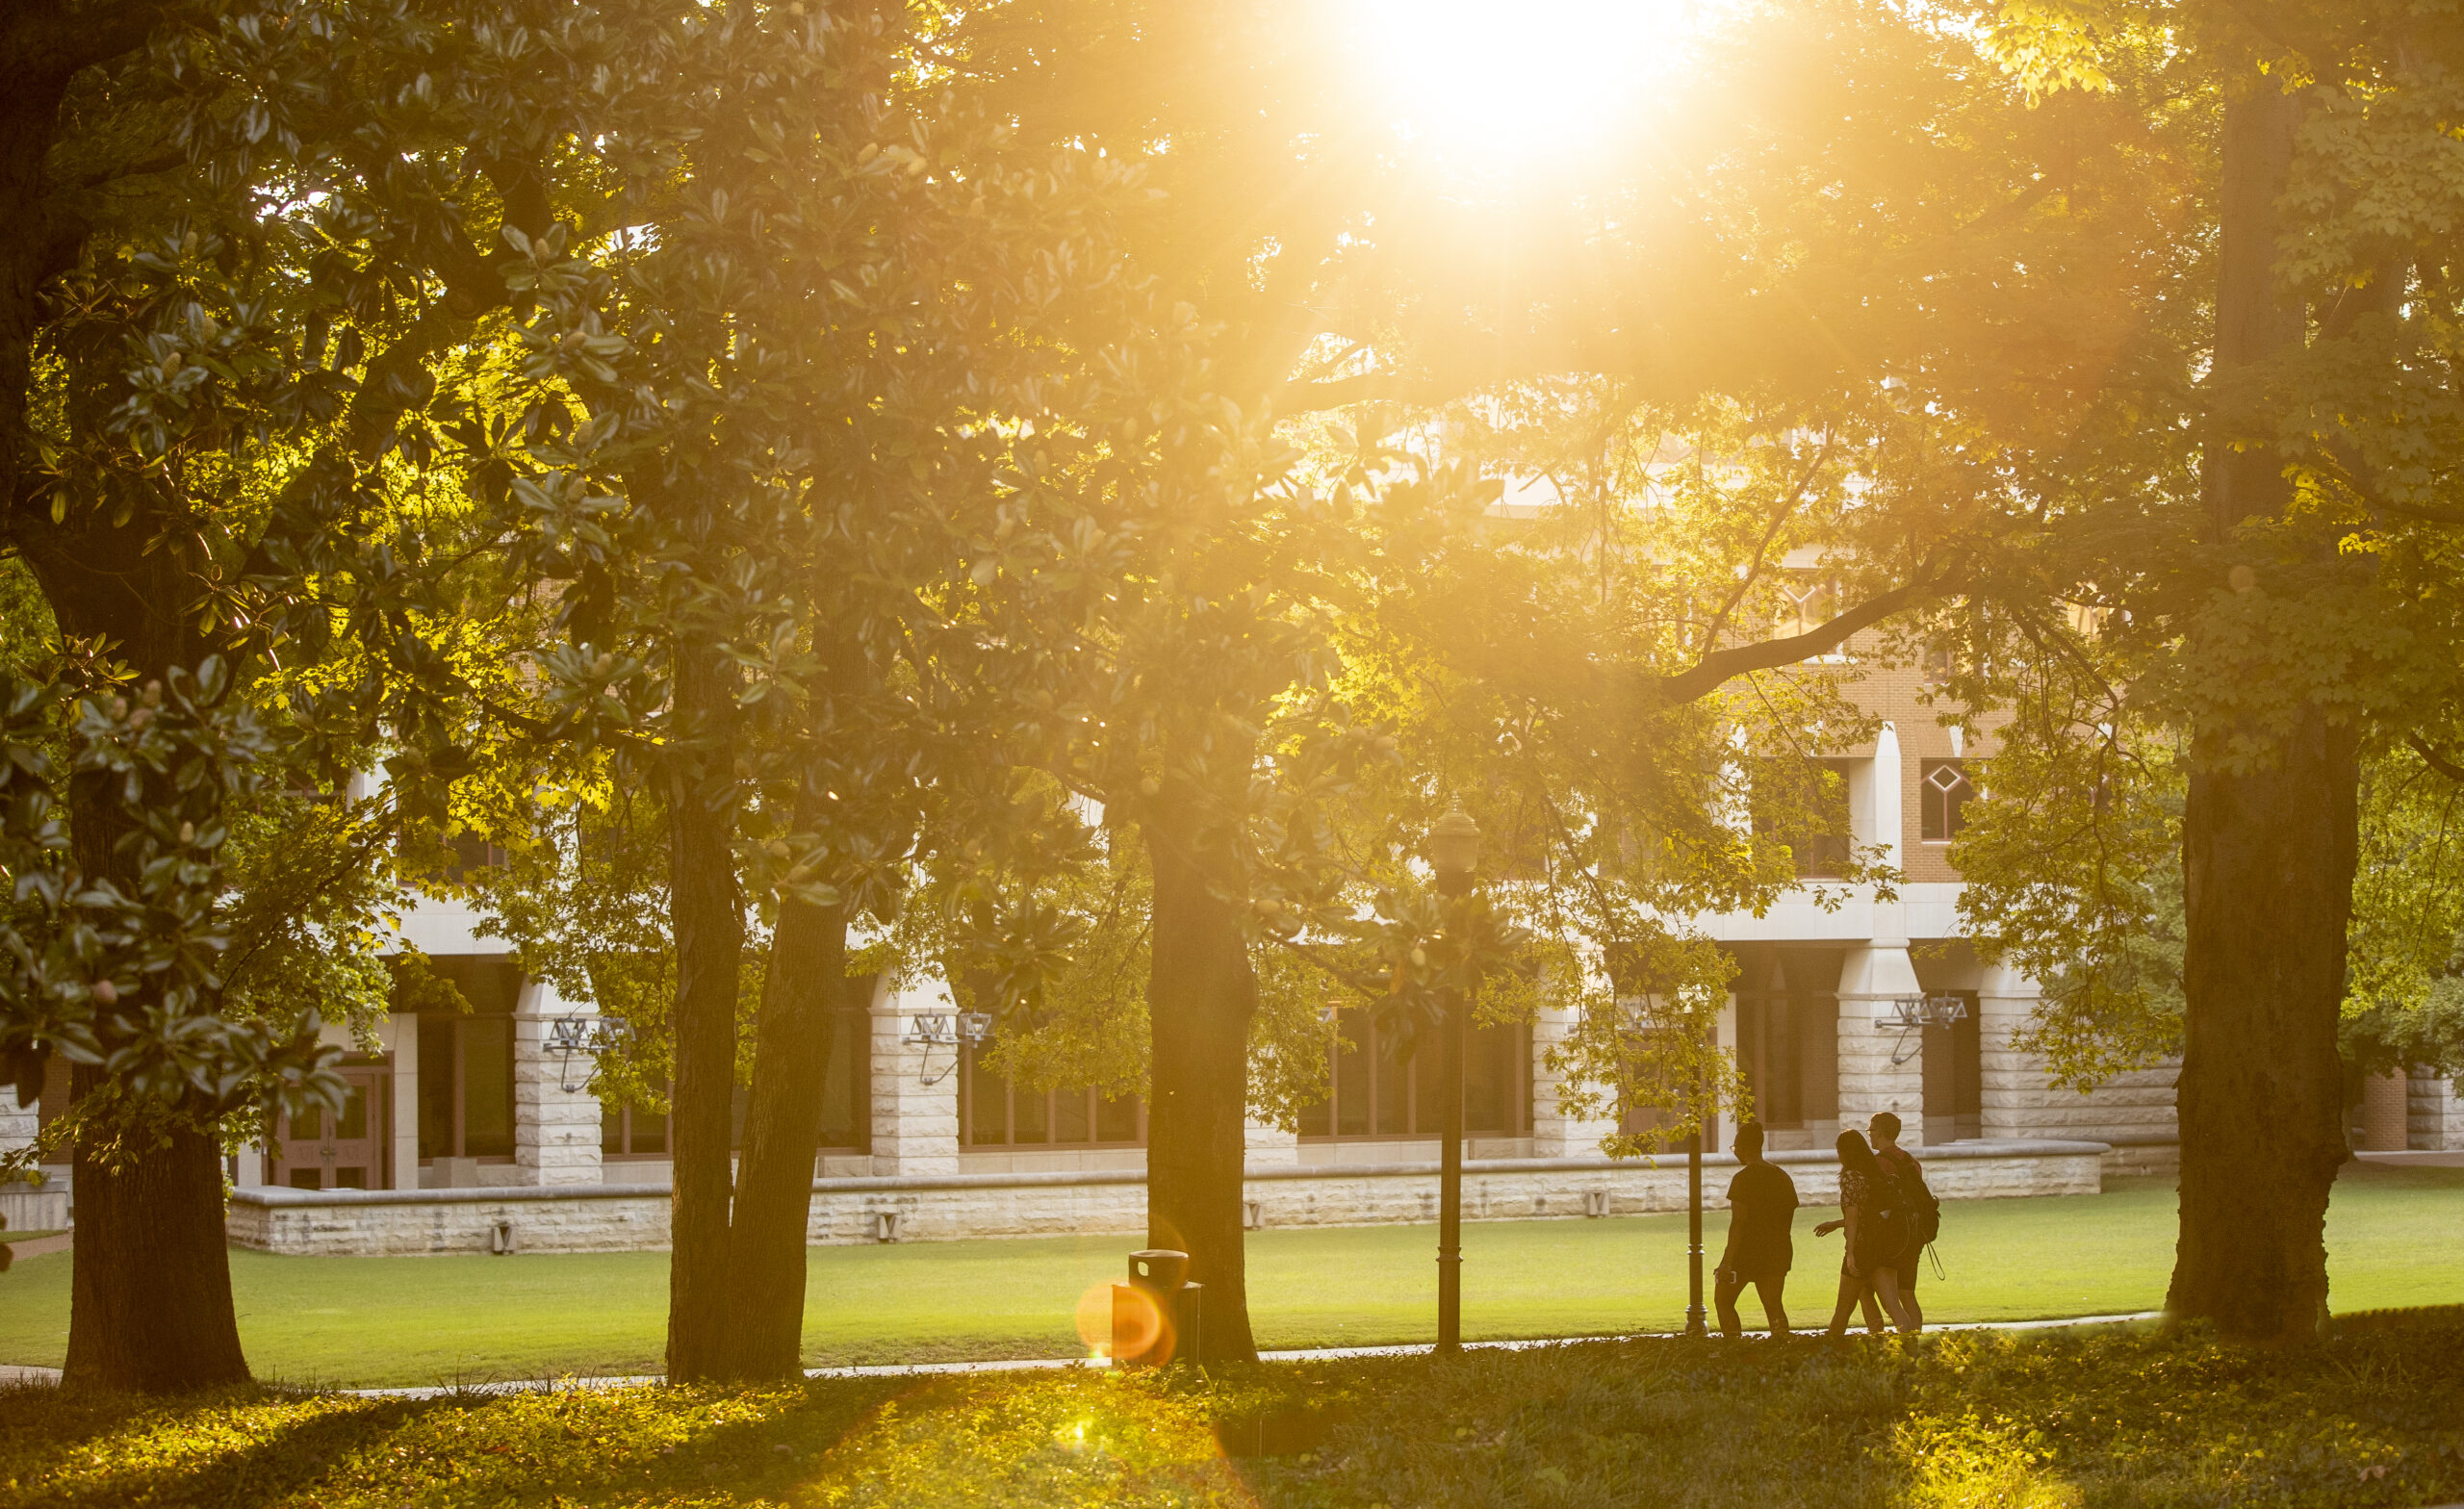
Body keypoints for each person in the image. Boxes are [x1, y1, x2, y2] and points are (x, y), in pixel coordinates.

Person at [1816, 1129, 1919, 1336]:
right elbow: (1872, 1214)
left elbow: (1854, 1216)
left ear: (1846, 1152)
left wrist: (1851, 1252)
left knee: (1843, 1310)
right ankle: (1910, 1350)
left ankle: (1829, 1355)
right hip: (1884, 1247)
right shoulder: (1876, 1174)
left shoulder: (1851, 1177)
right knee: (1894, 1308)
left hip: (1863, 1248)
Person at [1713, 1121, 1797, 1339]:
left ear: (1742, 1148)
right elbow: (1788, 1217)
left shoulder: (1742, 1179)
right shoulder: (1782, 1177)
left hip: (1747, 1251)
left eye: (1734, 1149)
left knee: (1723, 1300)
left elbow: (1739, 1223)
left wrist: (1727, 1262)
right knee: (1773, 1306)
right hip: (1777, 1249)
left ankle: (1734, 1347)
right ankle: (1783, 1349)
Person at [1868, 1112, 1928, 1332]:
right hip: (1914, 1234)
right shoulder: (1911, 1161)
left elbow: (1875, 1204)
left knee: (1885, 1296)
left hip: (1891, 1237)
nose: (1870, 1135)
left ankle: (1899, 1341)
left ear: (1881, 1132)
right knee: (1907, 1293)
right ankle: (1916, 1344)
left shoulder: (1879, 1164)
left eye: (1871, 1130)